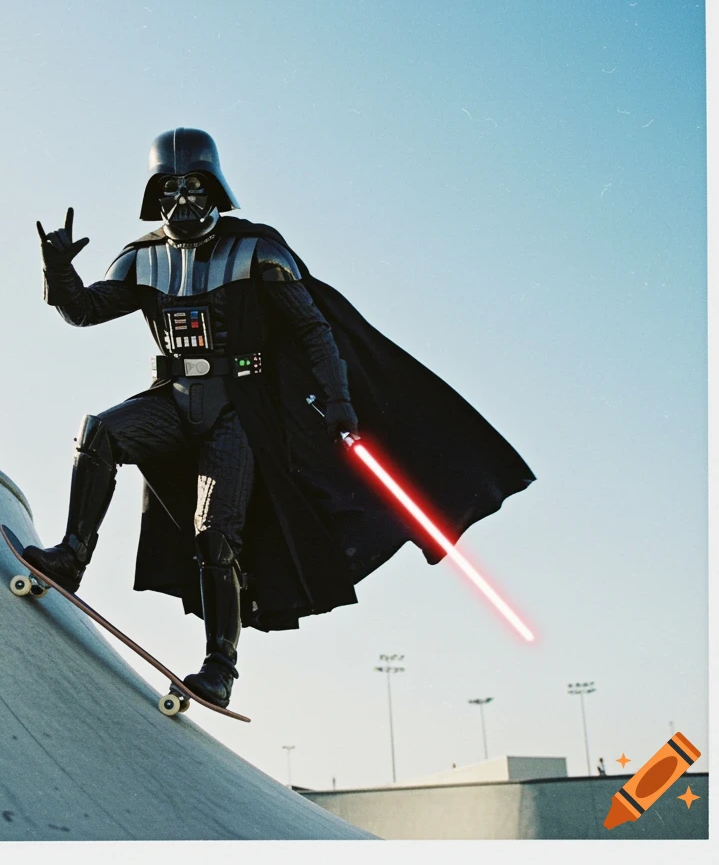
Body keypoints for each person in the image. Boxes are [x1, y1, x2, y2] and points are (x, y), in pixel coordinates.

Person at [26, 128, 535, 710]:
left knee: (214, 533)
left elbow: (313, 330)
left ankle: (220, 665)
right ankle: (71, 555)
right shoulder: (142, 258)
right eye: (171, 189)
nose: (183, 200)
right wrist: (58, 271)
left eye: (194, 186)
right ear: (155, 194)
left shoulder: (258, 250)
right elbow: (85, 311)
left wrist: (340, 405)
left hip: (240, 410)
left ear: (214, 188)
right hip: (173, 398)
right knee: (101, 432)